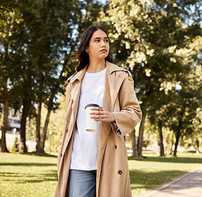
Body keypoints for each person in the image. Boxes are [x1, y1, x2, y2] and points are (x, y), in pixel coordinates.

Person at [55, 26, 142, 197]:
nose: (104, 44)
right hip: (78, 162)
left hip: (110, 158)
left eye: (106, 40)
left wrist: (113, 116)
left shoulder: (121, 76)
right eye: (98, 40)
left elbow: (135, 112)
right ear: (86, 47)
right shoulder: (74, 82)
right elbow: (70, 123)